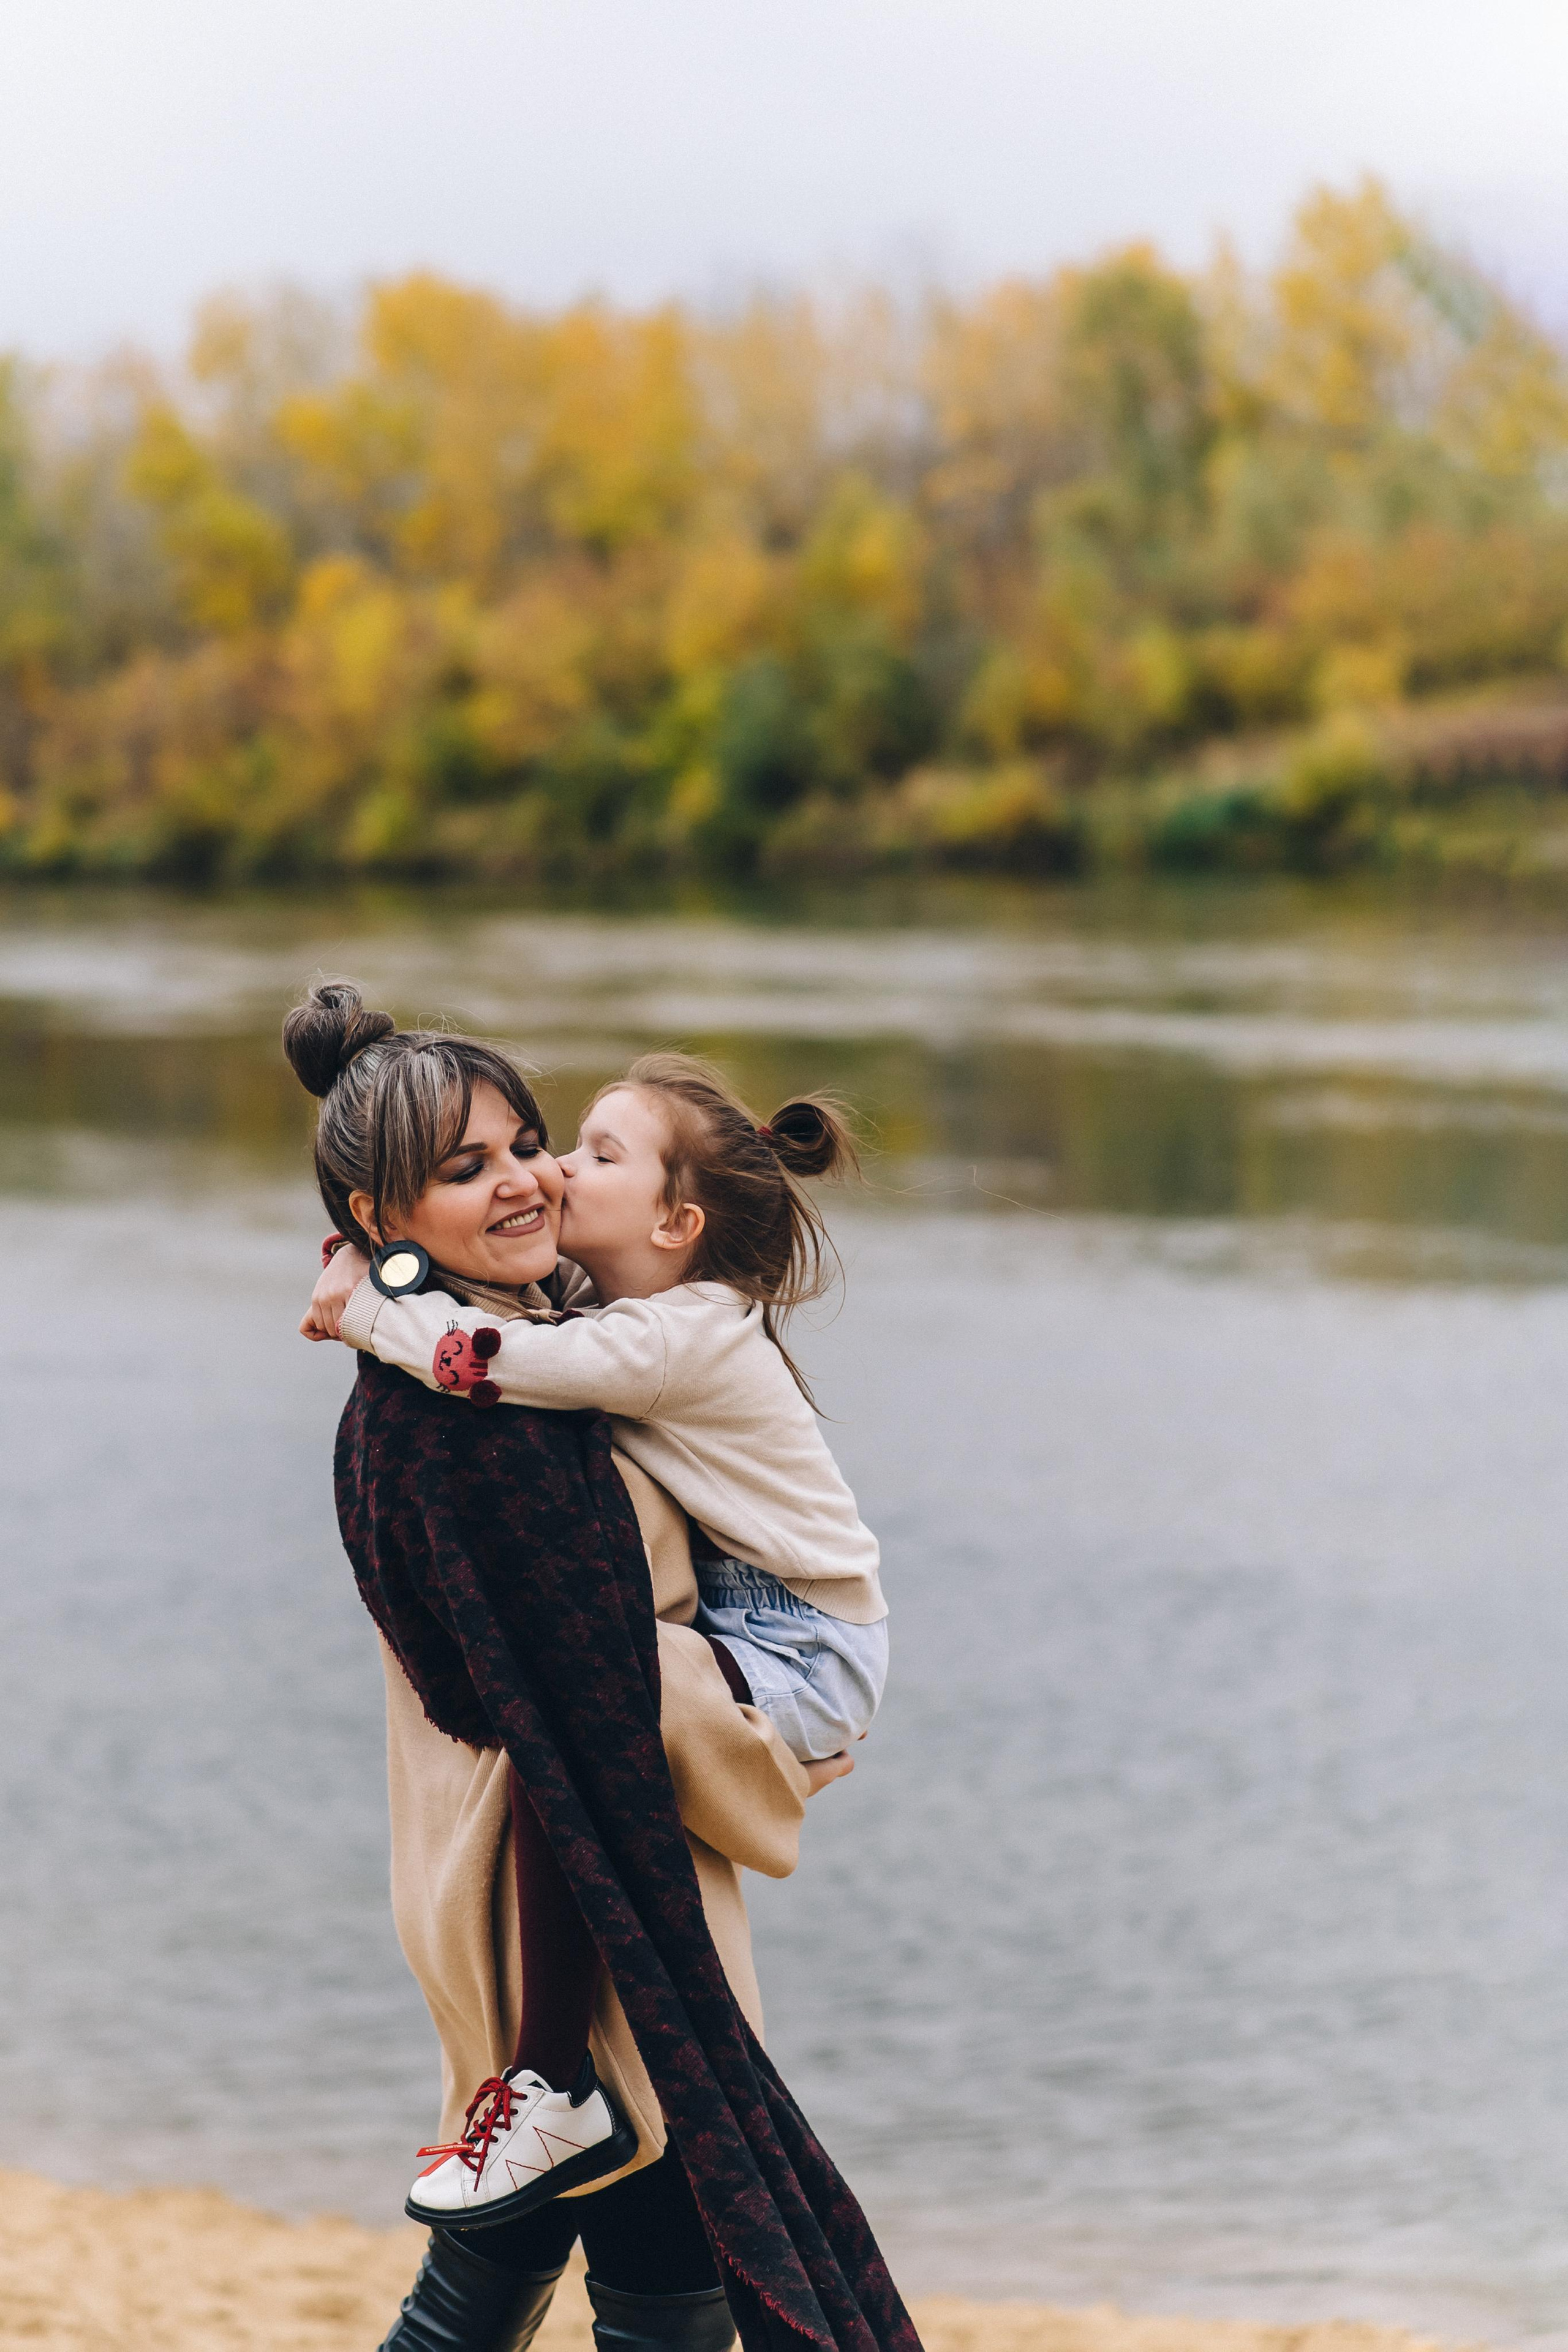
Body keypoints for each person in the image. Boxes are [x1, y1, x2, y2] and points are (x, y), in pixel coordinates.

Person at [284, 984, 917, 2352]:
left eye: (530, 1145)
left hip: (544, 1891)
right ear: (385, 1215)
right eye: (472, 1168)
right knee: (642, 2248)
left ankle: (547, 2096)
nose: (532, 1178)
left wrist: (364, 1287)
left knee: (525, 2262)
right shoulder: (491, 1423)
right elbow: (559, 1699)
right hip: (580, 1909)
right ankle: (551, 2091)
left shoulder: (535, 1347)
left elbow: (564, 1668)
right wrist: (753, 1743)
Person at [308, 1050, 888, 1776]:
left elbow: (491, 1360)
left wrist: (365, 1309)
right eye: (570, 1143)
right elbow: (465, 1272)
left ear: (675, 1224)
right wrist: (357, 1250)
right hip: (747, 1622)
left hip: (800, 1649)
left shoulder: (678, 1338)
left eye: (601, 1157)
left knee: (587, 1707)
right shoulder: (614, 1289)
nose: (558, 1168)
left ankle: (760, 1775)